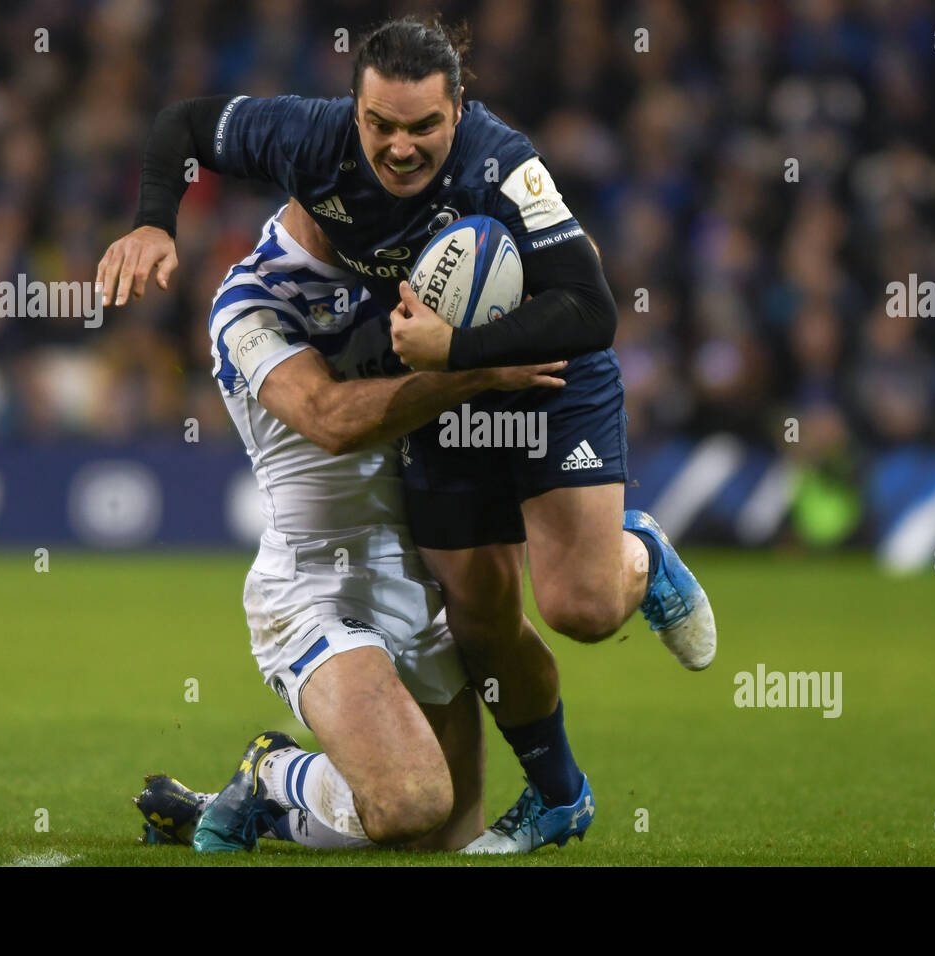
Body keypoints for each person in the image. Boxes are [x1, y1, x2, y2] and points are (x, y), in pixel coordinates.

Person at [99, 15, 714, 854]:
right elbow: (184, 128)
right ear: (348, 121)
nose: (398, 148)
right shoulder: (260, 285)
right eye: (380, 126)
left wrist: (461, 351)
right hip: (434, 409)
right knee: (466, 696)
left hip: (529, 359)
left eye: (423, 126)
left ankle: (632, 554)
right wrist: (153, 221)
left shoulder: (499, 164)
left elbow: (593, 308)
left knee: (583, 604)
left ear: (459, 111)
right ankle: (526, 794)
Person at [119, 198, 567, 853]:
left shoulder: (409, 257)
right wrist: (478, 369)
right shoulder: (250, 295)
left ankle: (250, 804)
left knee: (438, 836)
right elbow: (329, 420)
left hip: (417, 582)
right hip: (315, 588)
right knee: (413, 799)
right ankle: (273, 768)